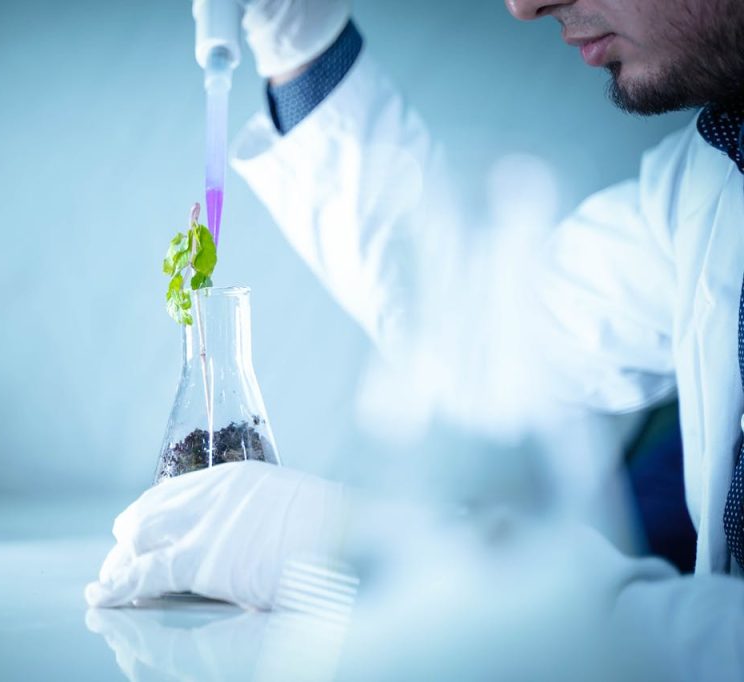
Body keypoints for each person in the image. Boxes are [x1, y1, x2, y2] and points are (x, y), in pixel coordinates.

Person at [86, 0, 744, 670]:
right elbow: (475, 328)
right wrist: (300, 44)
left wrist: (339, 547)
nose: (522, 6)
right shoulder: (709, 179)